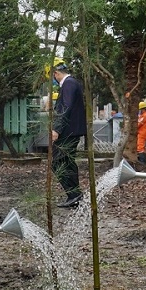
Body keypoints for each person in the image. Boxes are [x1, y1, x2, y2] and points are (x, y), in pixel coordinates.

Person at [50, 58, 86, 208]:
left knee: (59, 162)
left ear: (56, 73)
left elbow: (66, 106)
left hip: (68, 131)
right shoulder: (71, 83)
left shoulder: (69, 84)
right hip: (71, 130)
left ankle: (74, 195)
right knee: (66, 162)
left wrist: (57, 129)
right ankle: (74, 195)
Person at [136, 100, 146, 165]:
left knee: (140, 147)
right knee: (142, 147)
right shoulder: (143, 115)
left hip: (142, 133)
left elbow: (138, 124)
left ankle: (142, 161)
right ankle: (143, 160)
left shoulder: (145, 116)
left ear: (142, 109)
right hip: (142, 133)